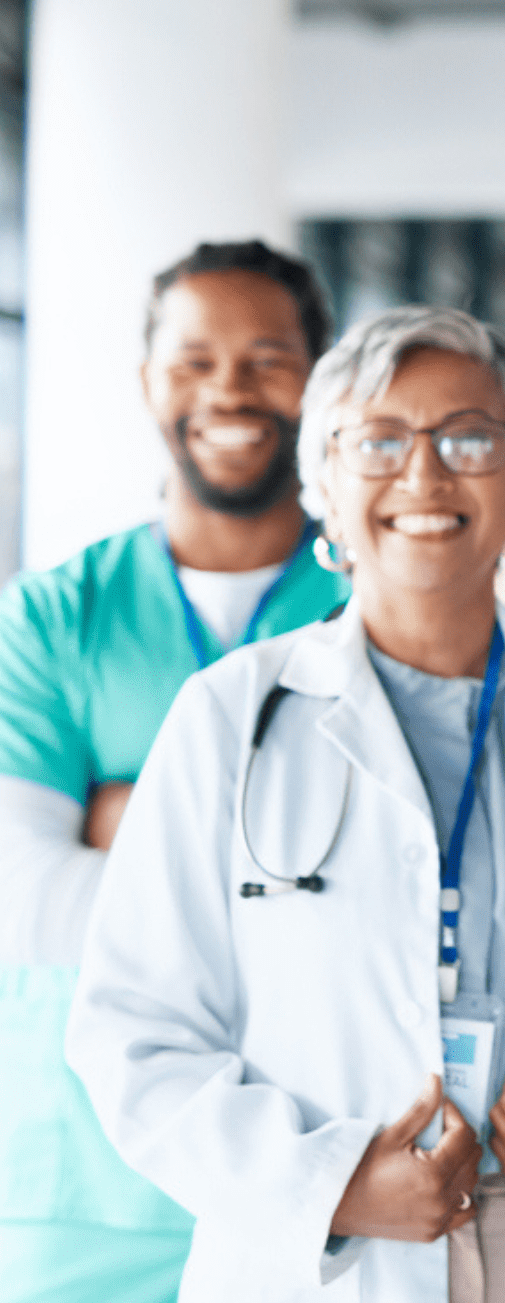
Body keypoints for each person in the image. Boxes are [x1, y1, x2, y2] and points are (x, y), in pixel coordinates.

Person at [66, 306, 505, 1302]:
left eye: (468, 437)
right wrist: (328, 1185)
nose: (424, 474)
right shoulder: (227, 720)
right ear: (321, 485)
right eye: (376, 440)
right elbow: (132, 1036)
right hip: (329, 1258)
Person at [0, 240, 349, 1303]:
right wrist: (277, 869)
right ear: (147, 382)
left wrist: (130, 818)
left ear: (322, 378)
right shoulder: (53, 619)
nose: (228, 391)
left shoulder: (372, 610)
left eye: (265, 356)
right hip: (88, 1189)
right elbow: (21, 900)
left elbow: (406, 891)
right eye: (192, 360)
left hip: (320, 1164)